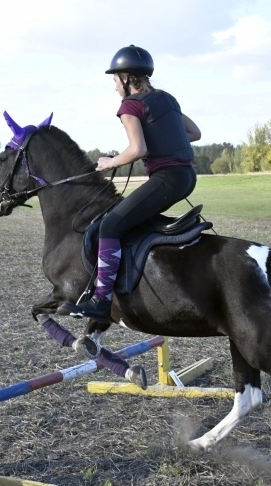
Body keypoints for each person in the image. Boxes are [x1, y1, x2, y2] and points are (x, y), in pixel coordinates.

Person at [61, 45, 201, 323]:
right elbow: (194, 133)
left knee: (110, 225)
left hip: (166, 179)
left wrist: (110, 162)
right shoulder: (167, 99)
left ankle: (101, 301)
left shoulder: (130, 105)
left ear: (126, 78)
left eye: (114, 80)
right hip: (186, 177)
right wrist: (162, 141)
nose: (114, 87)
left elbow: (136, 149)